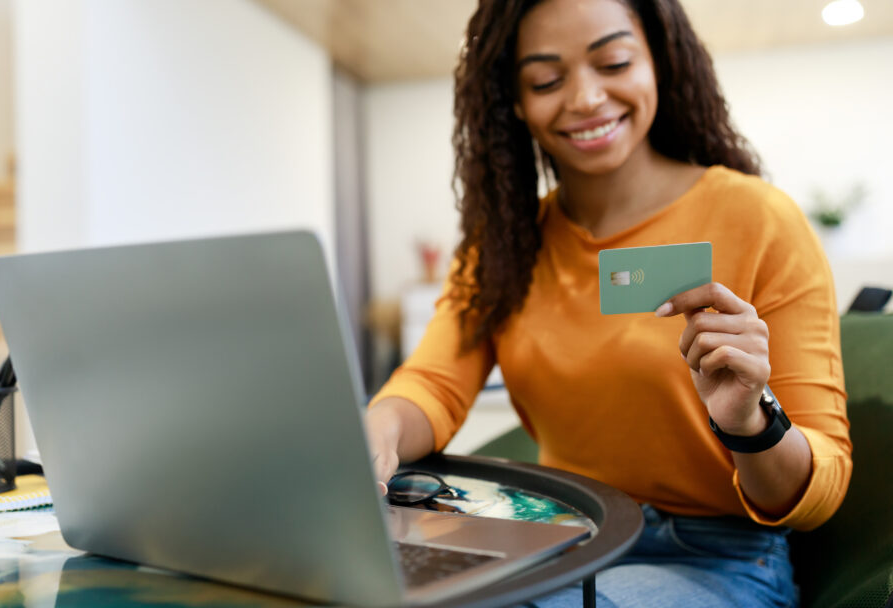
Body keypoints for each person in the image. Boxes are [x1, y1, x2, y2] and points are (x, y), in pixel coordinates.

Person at [364, 0, 852, 605]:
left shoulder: (760, 220)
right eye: (546, 79)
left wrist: (749, 423)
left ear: (660, 64)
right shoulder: (505, 246)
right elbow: (433, 385)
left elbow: (820, 491)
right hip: (559, 538)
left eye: (613, 62)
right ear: (513, 102)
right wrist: (375, 430)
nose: (587, 98)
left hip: (713, 557)